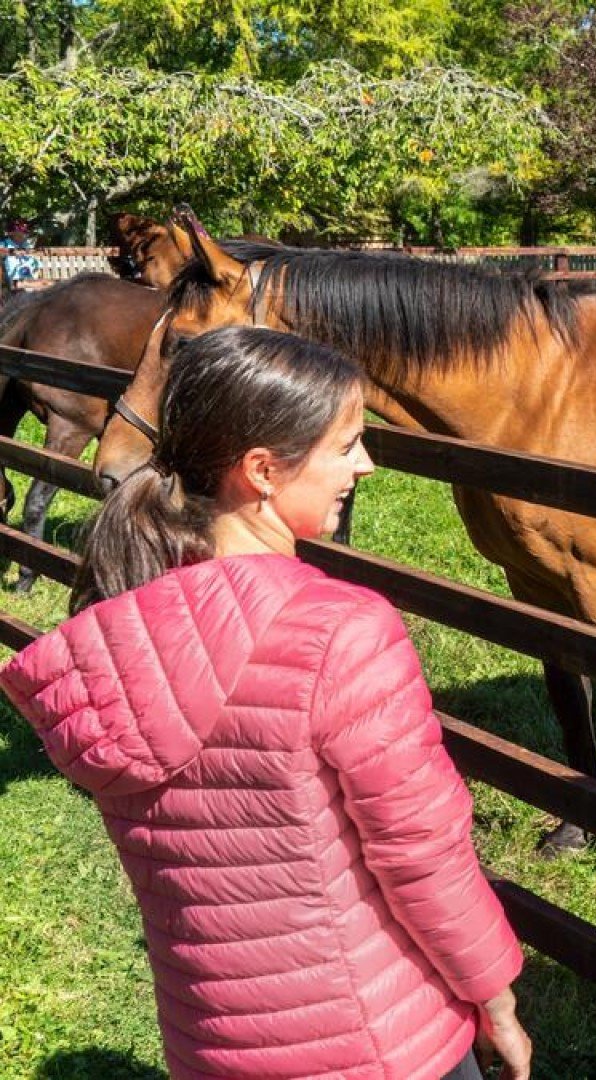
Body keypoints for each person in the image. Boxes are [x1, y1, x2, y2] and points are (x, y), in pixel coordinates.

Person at [0, 327, 532, 1080]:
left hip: (212, 1046)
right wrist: (496, 999)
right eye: (345, 444)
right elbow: (423, 855)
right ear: (262, 471)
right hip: (379, 1045)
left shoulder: (119, 640)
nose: (365, 464)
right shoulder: (343, 634)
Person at [2, 219, 40, 287]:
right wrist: (12, 252)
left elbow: (36, 265)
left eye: (25, 231)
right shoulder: (4, 243)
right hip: (11, 281)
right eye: (22, 231)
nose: (25, 234)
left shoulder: (27, 245)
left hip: (29, 281)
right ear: (11, 233)